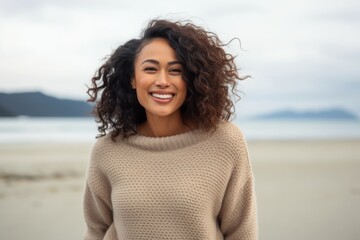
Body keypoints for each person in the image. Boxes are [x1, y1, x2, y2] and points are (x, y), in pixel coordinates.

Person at [84, 18, 258, 240]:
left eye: (176, 70)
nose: (163, 81)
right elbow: (95, 231)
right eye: (150, 69)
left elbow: (241, 232)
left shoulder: (225, 141)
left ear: (190, 79)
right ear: (133, 79)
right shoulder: (107, 150)